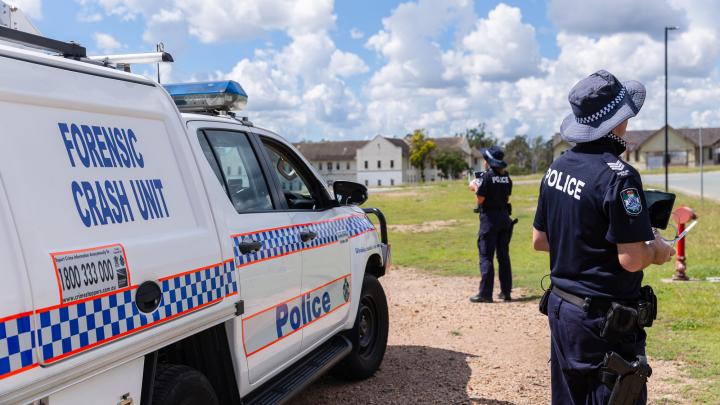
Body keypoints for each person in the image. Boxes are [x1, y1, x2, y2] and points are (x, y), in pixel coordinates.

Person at [532, 70, 675, 404]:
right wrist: (659, 250)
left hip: (563, 309)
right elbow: (632, 259)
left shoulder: (557, 168)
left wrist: (590, 244)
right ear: (616, 123)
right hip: (604, 322)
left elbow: (540, 240)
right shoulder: (620, 177)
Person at [468, 145, 513, 303]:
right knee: (503, 256)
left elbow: (480, 199)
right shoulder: (506, 177)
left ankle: (485, 293)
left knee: (486, 256)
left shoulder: (486, 177)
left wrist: (474, 187)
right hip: (504, 219)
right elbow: (506, 198)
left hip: (489, 221)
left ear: (488, 161)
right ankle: (506, 292)